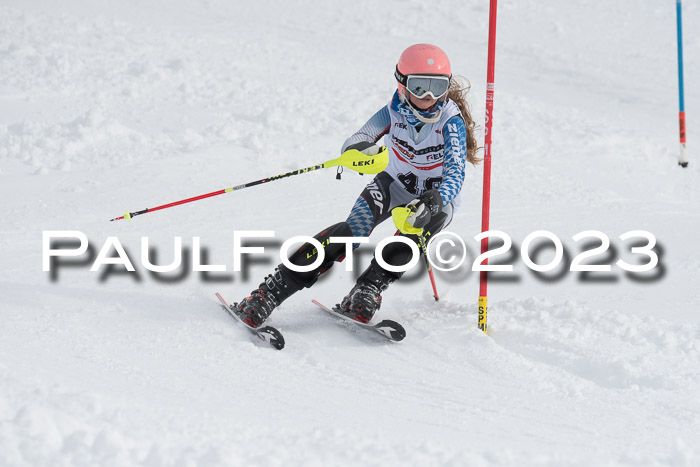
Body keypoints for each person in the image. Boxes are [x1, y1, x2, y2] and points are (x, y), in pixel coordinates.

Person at [233, 43, 480, 327]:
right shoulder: (392, 112)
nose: (428, 96)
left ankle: (368, 289)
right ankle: (269, 292)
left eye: (437, 87)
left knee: (411, 238)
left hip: (432, 199)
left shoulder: (450, 122)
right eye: (419, 86)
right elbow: (358, 138)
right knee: (351, 232)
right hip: (392, 184)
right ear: (402, 84)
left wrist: (436, 199)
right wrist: (361, 151)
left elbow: (456, 173)